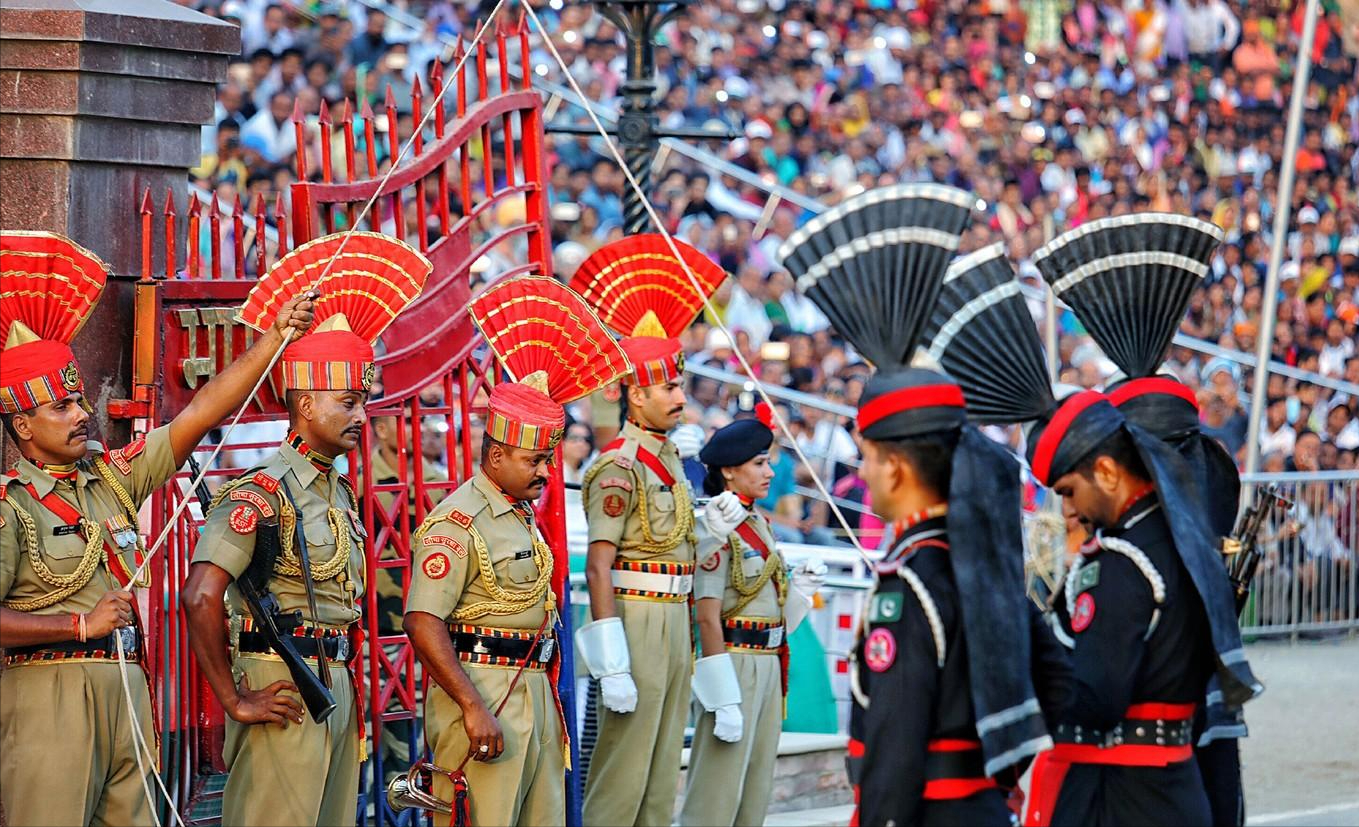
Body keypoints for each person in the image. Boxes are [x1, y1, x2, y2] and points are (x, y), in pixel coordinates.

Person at [0, 231, 313, 826]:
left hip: (129, 687)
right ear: (21, 427)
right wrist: (79, 623)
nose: (80, 415)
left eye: (77, 402)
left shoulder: (112, 476)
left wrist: (275, 339)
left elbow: (199, 413)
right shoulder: (10, 506)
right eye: (60, 409)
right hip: (48, 697)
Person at [776, 185, 1064, 827]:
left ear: (897, 466)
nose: (865, 469)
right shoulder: (976, 561)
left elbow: (895, 747)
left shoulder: (910, 581)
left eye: (869, 455)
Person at [182, 233, 430, 827]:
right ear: (306, 404)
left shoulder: (338, 490)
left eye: (364, 401)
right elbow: (200, 595)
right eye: (348, 401)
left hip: (335, 681)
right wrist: (233, 699)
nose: (361, 415)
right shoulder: (261, 492)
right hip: (283, 681)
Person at [404, 274, 627, 825]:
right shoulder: (457, 520)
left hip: (533, 691)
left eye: (549, 459)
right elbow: (421, 619)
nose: (547, 473)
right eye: (535, 461)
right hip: (482, 695)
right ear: (497, 453)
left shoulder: (520, 513)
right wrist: (472, 707)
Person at [1018, 390, 1263, 827]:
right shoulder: (1184, 539)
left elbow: (1096, 699)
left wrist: (1028, 639)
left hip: (1120, 796)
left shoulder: (1118, 560)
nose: (1070, 510)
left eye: (1070, 492)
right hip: (1175, 785)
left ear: (1108, 472)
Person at [568, 235, 724, 827]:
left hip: (673, 616)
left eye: (680, 385)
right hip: (633, 617)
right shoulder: (618, 465)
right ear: (636, 394)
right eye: (669, 388)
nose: (681, 398)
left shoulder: (670, 462)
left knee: (661, 776)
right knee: (622, 776)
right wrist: (610, 659)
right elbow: (599, 563)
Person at [679, 409, 827, 826]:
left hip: (767, 662)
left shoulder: (759, 523)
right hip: (733, 661)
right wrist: (722, 697)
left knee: (754, 792)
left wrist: (798, 592)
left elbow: (774, 613)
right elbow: (706, 616)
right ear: (728, 471)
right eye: (759, 463)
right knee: (716, 794)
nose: (769, 471)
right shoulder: (717, 524)